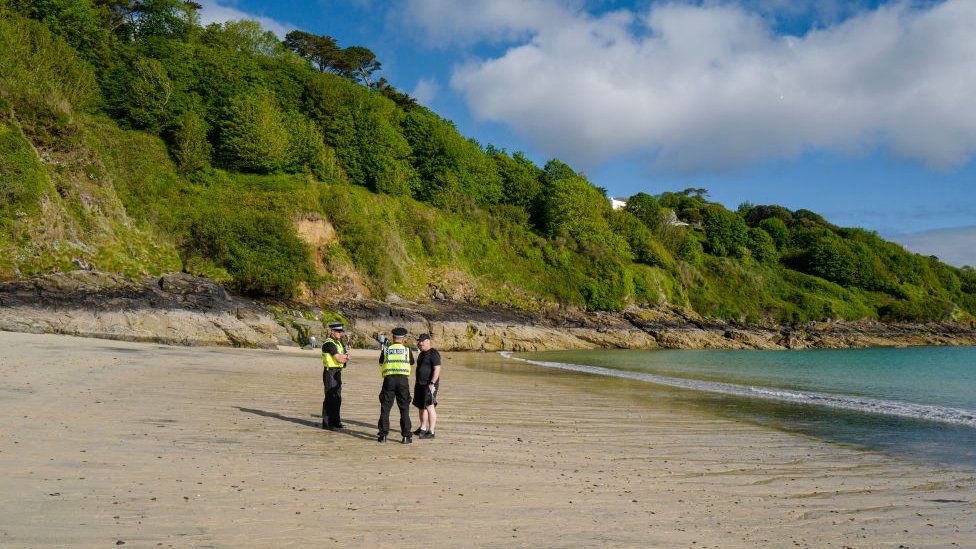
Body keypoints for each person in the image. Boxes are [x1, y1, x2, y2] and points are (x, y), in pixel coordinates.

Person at [377, 327, 414, 443]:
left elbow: (380, 362)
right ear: (403, 339)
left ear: (393, 338)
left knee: (385, 408)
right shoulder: (407, 350)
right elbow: (411, 362)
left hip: (389, 380)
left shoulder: (386, 350)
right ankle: (406, 436)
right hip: (403, 381)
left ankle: (383, 435)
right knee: (404, 409)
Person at [412, 333, 442, 439]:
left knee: (430, 406)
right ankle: (422, 428)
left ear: (428, 341)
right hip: (420, 384)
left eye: (422, 341)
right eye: (419, 341)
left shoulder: (434, 353)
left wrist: (432, 383)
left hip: (429, 385)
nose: (420, 343)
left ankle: (431, 432)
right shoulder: (421, 354)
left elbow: (437, 369)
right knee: (421, 407)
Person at [320, 323, 349, 430]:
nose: (340, 333)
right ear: (332, 331)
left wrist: (345, 357)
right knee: (330, 397)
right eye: (338, 331)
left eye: (341, 332)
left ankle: (336, 421)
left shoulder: (338, 343)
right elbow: (340, 358)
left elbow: (344, 357)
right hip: (330, 373)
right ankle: (327, 423)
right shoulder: (329, 344)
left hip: (337, 372)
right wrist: (344, 357)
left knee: (337, 398)